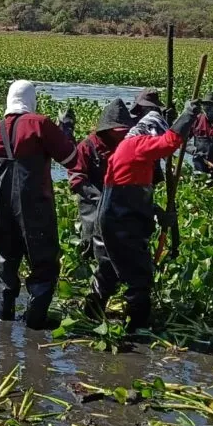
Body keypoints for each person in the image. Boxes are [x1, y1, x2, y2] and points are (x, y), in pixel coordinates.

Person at [84, 100, 200, 331]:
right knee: (139, 276)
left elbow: (132, 192)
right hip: (120, 221)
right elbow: (169, 142)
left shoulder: (128, 149)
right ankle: (136, 328)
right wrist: (187, 115)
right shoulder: (137, 144)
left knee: (109, 270)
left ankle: (90, 315)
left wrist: (157, 212)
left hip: (114, 218)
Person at [0, 80, 76, 329]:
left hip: (2, 209)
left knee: (6, 262)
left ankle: (4, 318)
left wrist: (2, 186)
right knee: (44, 262)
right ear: (31, 100)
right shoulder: (40, 124)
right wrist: (66, 131)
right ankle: (35, 322)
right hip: (36, 207)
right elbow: (71, 158)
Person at [68, 99, 132, 290]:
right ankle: (87, 277)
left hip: (119, 198)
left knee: (120, 241)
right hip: (92, 199)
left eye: (124, 131)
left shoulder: (128, 145)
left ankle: (115, 278)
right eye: (117, 131)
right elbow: (76, 177)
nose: (121, 134)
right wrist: (99, 197)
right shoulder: (88, 146)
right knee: (92, 237)